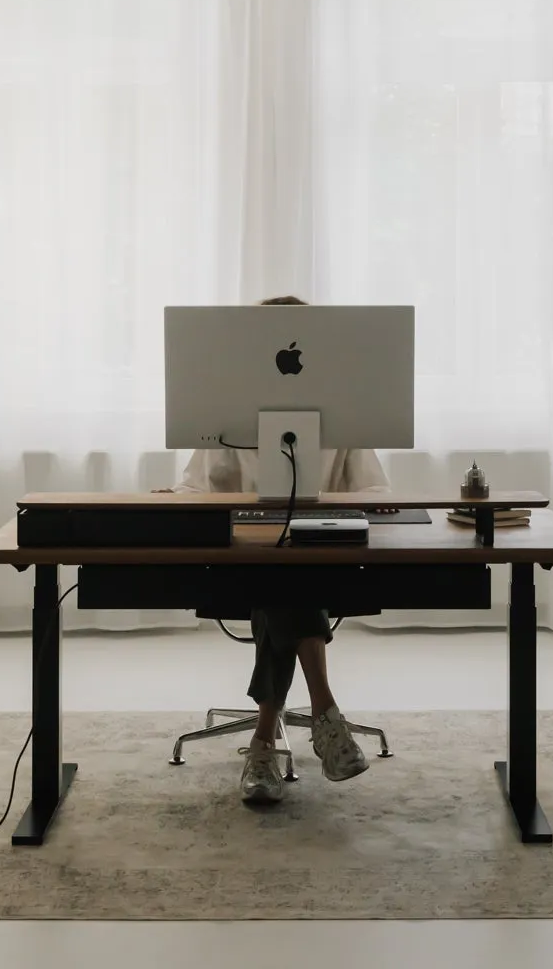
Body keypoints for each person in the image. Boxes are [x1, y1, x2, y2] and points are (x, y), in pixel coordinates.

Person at [170, 295, 383, 806]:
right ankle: (325, 715)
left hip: (319, 559)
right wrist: (178, 502)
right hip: (244, 564)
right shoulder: (229, 417)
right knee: (281, 577)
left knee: (286, 578)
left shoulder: (340, 416)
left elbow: (375, 491)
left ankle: (263, 744)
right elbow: (194, 487)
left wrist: (369, 508)